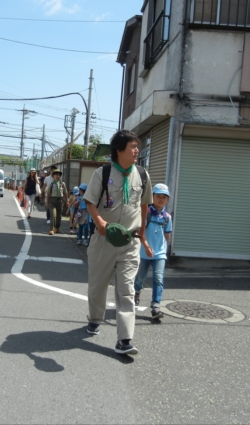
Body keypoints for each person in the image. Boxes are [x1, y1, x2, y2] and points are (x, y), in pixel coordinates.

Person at [83, 130, 153, 355]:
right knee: (98, 285)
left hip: (129, 243)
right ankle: (95, 318)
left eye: (137, 146)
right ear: (119, 150)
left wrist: (142, 236)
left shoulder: (142, 175)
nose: (136, 151)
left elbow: (144, 206)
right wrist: (100, 222)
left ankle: (125, 339)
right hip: (103, 241)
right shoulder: (102, 174)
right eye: (132, 147)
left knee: (126, 290)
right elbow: (90, 202)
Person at [134, 183, 173, 320]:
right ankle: (136, 293)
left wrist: (163, 250)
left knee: (158, 278)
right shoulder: (146, 213)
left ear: (167, 199)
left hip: (159, 254)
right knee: (140, 277)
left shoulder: (167, 217)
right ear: (152, 197)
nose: (161, 199)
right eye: (158, 196)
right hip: (144, 252)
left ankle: (156, 306)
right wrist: (146, 246)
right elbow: (140, 232)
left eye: (164, 197)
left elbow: (167, 236)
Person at [45, 169, 69, 235]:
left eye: (59, 174)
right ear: (53, 176)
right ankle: (51, 229)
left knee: (59, 216)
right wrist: (47, 203)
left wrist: (67, 201)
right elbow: (48, 194)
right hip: (52, 201)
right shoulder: (51, 184)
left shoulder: (62, 184)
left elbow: (65, 193)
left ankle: (57, 227)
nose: (57, 176)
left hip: (60, 200)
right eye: (56, 174)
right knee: (53, 214)